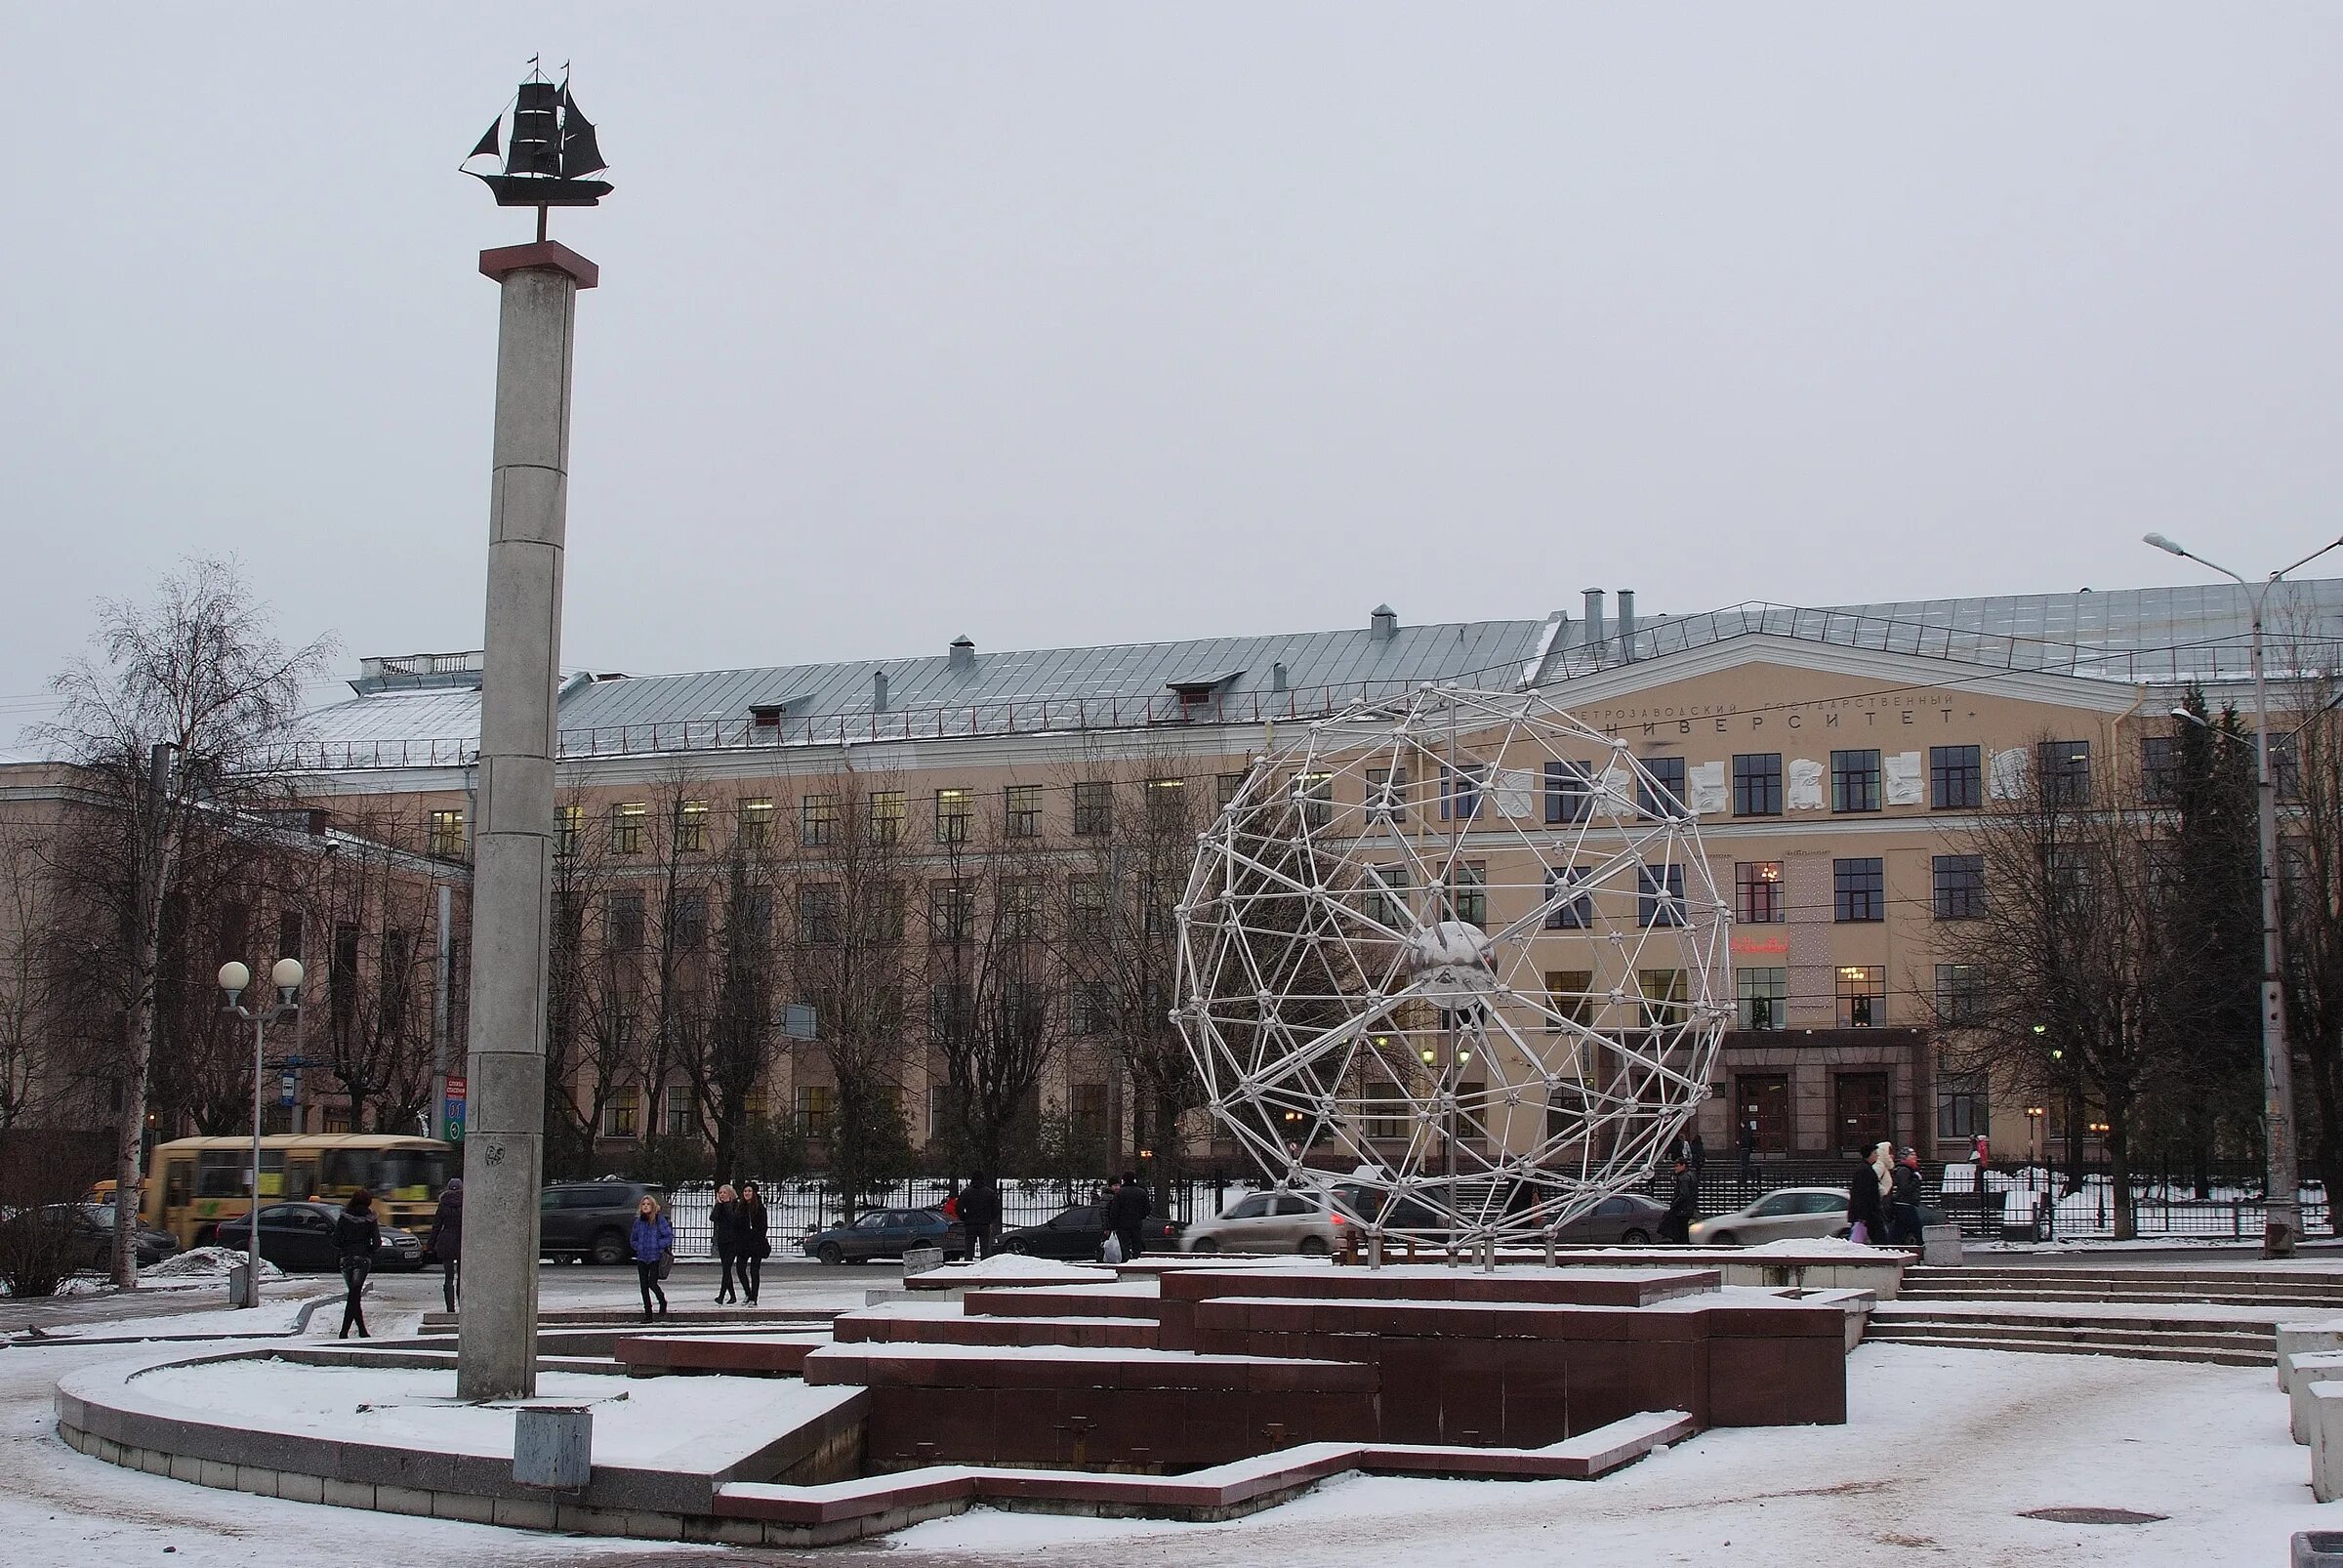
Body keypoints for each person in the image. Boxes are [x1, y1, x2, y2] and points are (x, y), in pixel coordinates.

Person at [333, 1188, 380, 1340]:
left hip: (346, 1259)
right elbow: (377, 1242)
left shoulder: (344, 1217)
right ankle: (345, 1332)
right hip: (362, 1259)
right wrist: (368, 1251)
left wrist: (345, 1248)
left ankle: (360, 1331)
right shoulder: (370, 1219)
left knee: (354, 1294)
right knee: (354, 1295)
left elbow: (335, 1240)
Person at [631, 1193, 673, 1323]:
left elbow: (668, 1236)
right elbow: (633, 1238)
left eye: (648, 1204)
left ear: (653, 1206)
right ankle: (648, 1313)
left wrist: (658, 1246)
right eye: (643, 1204)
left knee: (652, 1283)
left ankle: (662, 1301)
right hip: (642, 1257)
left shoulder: (659, 1220)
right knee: (643, 1286)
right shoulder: (639, 1221)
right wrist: (638, 1246)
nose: (645, 1206)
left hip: (655, 1257)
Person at [429, 1176, 464, 1314]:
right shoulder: (467, 1202)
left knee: (448, 1277)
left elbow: (436, 1225)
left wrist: (430, 1244)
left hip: (446, 1241)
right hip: (462, 1242)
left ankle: (450, 1308)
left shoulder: (443, 1203)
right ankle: (463, 1306)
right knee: (462, 1277)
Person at [1847, 1141, 1891, 1245]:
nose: (1877, 1155)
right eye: (1875, 1153)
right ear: (1869, 1155)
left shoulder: (1865, 1169)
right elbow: (1863, 1194)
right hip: (1870, 1215)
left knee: (1879, 1239)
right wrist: (1863, 1215)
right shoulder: (1864, 1171)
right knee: (1881, 1240)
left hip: (1869, 1214)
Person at [1105, 1171, 1152, 1263]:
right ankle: (1136, 1261)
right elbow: (1147, 1209)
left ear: (1123, 1180)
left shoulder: (1119, 1193)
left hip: (1122, 1225)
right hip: (1136, 1223)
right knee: (1137, 1244)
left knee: (1124, 1246)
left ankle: (1126, 1262)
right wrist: (1140, 1216)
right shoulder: (1141, 1192)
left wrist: (1113, 1225)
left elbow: (1114, 1211)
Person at [737, 1181, 769, 1304]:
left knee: (754, 1271)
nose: (747, 1193)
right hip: (743, 1244)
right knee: (740, 1269)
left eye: (749, 1191)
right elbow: (737, 1224)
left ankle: (754, 1298)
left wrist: (756, 1237)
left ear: (754, 1193)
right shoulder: (740, 1207)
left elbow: (763, 1227)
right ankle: (748, 1292)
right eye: (745, 1191)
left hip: (756, 1244)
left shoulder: (760, 1208)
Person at [711, 1184, 741, 1305]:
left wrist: (727, 1205)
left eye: (724, 1192)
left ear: (730, 1194)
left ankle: (721, 1296)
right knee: (725, 1269)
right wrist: (719, 1204)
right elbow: (713, 1218)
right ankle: (732, 1296)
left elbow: (733, 1219)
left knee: (727, 1268)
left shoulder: (735, 1205)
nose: (722, 1195)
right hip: (722, 1240)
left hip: (733, 1241)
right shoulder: (719, 1206)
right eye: (720, 1192)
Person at [958, 1175, 1001, 1259]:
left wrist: (964, 1217)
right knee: (985, 1248)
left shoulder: (966, 1192)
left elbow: (959, 1208)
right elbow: (997, 1208)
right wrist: (990, 1219)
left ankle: (968, 1265)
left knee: (969, 1249)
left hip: (970, 1224)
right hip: (984, 1224)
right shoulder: (989, 1193)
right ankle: (984, 1267)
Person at [1890, 1147, 1925, 1245]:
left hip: (1906, 1203)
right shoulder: (1904, 1170)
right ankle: (1921, 1246)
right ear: (1904, 1157)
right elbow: (1904, 1188)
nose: (1915, 1157)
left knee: (1900, 1229)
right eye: (1912, 1155)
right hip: (1905, 1204)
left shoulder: (1909, 1170)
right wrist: (1916, 1180)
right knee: (1916, 1228)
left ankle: (1894, 1245)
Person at [1661, 1156, 1698, 1244]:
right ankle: (1683, 1246)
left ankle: (1680, 1246)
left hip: (1682, 1209)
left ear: (1683, 1165)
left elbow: (1683, 1194)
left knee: (1680, 1231)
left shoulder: (1684, 1177)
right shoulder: (1691, 1175)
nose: (1675, 1168)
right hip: (1688, 1208)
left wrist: (1674, 1204)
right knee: (1683, 1230)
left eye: (1677, 1166)